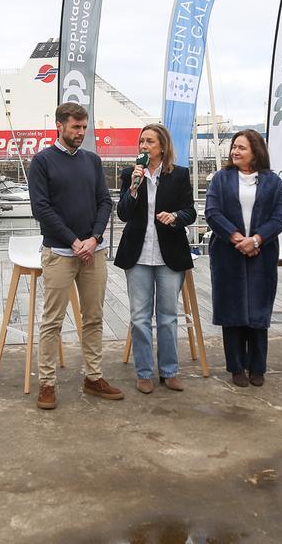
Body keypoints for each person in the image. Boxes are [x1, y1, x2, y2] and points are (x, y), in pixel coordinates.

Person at [28, 102, 122, 409]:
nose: (81, 132)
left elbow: (105, 202)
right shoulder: (42, 161)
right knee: (52, 320)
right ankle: (47, 383)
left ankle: (93, 377)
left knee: (94, 318)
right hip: (58, 252)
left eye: (84, 127)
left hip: (93, 252)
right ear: (60, 125)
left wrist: (93, 238)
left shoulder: (92, 161)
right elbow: (41, 208)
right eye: (75, 127)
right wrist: (73, 241)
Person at [115, 124, 196, 394]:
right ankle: (145, 372)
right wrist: (134, 188)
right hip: (137, 254)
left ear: (162, 146)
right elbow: (123, 214)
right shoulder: (130, 174)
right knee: (139, 317)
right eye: (141, 141)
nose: (144, 146)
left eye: (149, 141)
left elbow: (190, 212)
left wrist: (175, 217)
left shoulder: (180, 175)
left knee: (168, 316)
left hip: (169, 254)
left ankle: (170, 371)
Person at [205, 129, 282, 387]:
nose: (235, 152)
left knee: (258, 311)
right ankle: (236, 367)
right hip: (228, 255)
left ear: (256, 151)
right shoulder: (221, 178)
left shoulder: (272, 181)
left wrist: (256, 239)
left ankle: (258, 367)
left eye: (241, 147)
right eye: (234, 147)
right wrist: (237, 238)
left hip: (262, 255)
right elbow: (212, 211)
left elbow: (279, 216)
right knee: (232, 311)